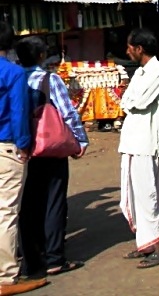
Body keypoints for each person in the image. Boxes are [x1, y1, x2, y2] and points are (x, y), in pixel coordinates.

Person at [16, 37, 88, 279]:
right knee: (54, 200)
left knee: (29, 202)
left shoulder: (16, 78)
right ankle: (55, 257)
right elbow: (68, 113)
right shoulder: (49, 79)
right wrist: (80, 140)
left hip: (22, 147)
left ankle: (32, 256)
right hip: (49, 146)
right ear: (41, 56)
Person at [118, 28, 159, 268]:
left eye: (130, 47)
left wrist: (129, 101)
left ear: (139, 49)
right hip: (133, 140)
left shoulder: (158, 70)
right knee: (134, 195)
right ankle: (146, 243)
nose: (127, 51)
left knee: (147, 194)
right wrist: (129, 101)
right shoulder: (141, 72)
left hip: (146, 141)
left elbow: (138, 101)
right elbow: (126, 100)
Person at [0, 23, 47, 294]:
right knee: (6, 212)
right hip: (7, 147)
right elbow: (19, 112)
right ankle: (6, 276)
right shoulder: (14, 73)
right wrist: (24, 145)